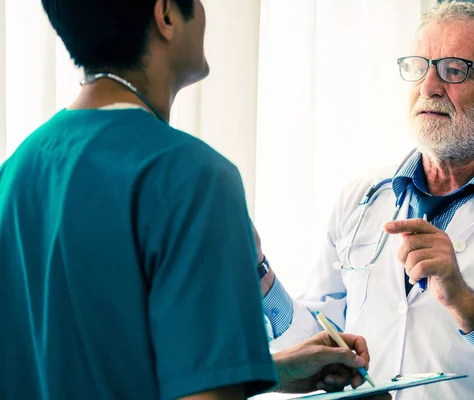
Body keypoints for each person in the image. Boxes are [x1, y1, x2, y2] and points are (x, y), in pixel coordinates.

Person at [0, 1, 391, 399]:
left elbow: (87, 361)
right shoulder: (191, 176)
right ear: (166, 15)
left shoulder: (16, 172)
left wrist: (269, 372)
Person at [256, 1, 474, 399]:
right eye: (420, 67)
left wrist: (468, 306)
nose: (429, 87)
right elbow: (322, 345)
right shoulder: (362, 197)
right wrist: (262, 277)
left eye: (454, 70)